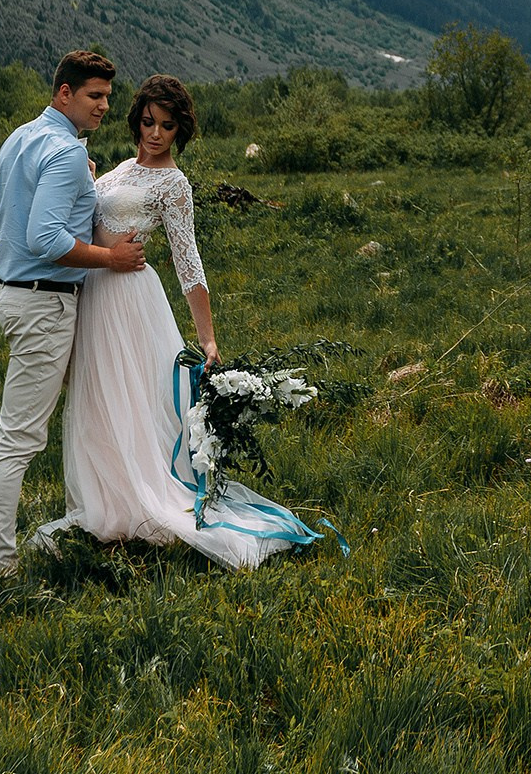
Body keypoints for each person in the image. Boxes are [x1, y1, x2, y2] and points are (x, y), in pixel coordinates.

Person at [35, 73, 321, 569]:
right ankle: (106, 500)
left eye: (166, 126)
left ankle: (141, 499)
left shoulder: (174, 184)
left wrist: (208, 339)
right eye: (148, 122)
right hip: (95, 290)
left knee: (131, 399)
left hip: (128, 298)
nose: (155, 134)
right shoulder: (122, 168)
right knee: (99, 399)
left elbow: (189, 265)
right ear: (137, 121)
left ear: (179, 131)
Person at [0, 50, 147, 579]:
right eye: (94, 95)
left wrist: (81, 181)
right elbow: (45, 238)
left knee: (86, 408)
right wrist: (112, 259)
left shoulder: (21, 138)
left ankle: (103, 512)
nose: (104, 106)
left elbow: (6, 221)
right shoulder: (65, 152)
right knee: (19, 438)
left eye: (108, 97)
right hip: (44, 301)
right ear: (64, 92)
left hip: (13, 292)